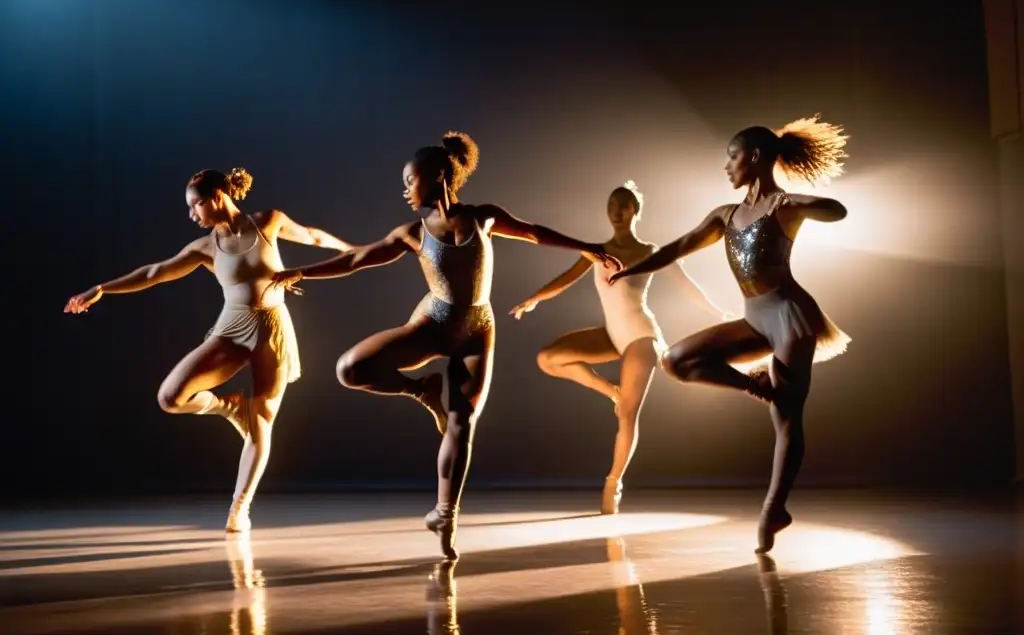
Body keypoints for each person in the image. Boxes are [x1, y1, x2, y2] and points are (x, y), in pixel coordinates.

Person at [269, 132, 620, 559]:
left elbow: (532, 232)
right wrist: (300, 272)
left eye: (409, 179)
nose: (404, 189)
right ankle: (422, 391)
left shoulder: (484, 217)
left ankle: (444, 514)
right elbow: (357, 259)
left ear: (437, 176)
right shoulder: (411, 233)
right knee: (351, 369)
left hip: (477, 329)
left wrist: (587, 248)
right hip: (432, 323)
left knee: (462, 424)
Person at [609, 116, 851, 552]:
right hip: (755, 318)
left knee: (788, 418)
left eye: (732, 157)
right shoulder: (727, 215)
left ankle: (774, 508)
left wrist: (800, 203)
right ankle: (757, 388)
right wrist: (634, 269)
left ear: (754, 158)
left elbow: (838, 211)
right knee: (676, 360)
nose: (727, 167)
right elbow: (678, 246)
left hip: (790, 316)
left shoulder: (782, 207)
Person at [64, 167, 350, 533]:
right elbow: (155, 272)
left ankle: (238, 510)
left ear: (217, 196)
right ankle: (229, 406)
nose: (191, 214)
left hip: (273, 330)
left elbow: (312, 236)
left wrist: (355, 251)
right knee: (171, 397)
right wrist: (102, 289)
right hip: (231, 329)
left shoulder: (268, 221)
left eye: (195, 205)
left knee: (262, 421)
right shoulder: (204, 247)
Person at [510, 181, 727, 514]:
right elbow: (566, 278)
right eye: (612, 205)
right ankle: (611, 391)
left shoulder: (651, 251)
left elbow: (687, 286)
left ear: (635, 211)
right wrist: (535, 298)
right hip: (612, 334)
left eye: (624, 205)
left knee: (628, 413)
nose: (617, 211)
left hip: (641, 336)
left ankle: (614, 481)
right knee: (548, 358)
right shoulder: (595, 250)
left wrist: (717, 312)